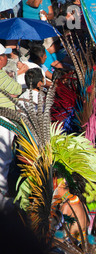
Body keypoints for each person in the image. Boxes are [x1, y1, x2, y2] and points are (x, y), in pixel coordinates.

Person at [0, 43, 23, 210]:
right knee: (5, 159)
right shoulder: (1, 75)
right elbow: (15, 88)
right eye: (4, 56)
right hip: (3, 120)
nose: (7, 59)